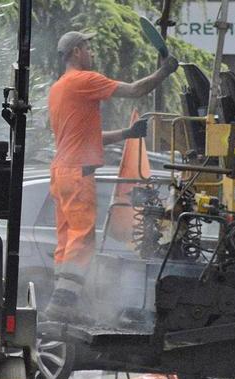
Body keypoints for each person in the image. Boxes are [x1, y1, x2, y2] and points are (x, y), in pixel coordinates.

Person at [44, 30, 178, 322]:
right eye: (89, 48)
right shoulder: (85, 80)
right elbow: (135, 90)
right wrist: (164, 72)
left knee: (66, 240)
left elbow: (88, 137)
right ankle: (63, 302)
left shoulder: (59, 88)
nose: (92, 53)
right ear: (77, 51)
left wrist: (127, 134)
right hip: (79, 174)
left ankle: (63, 301)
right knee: (82, 238)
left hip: (62, 173)